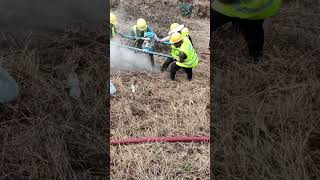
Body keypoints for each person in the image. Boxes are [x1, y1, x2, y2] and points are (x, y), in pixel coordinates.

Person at [211, 0, 282, 62]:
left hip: (248, 9)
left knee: (252, 30)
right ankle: (256, 58)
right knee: (254, 31)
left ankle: (255, 58)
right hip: (260, 7)